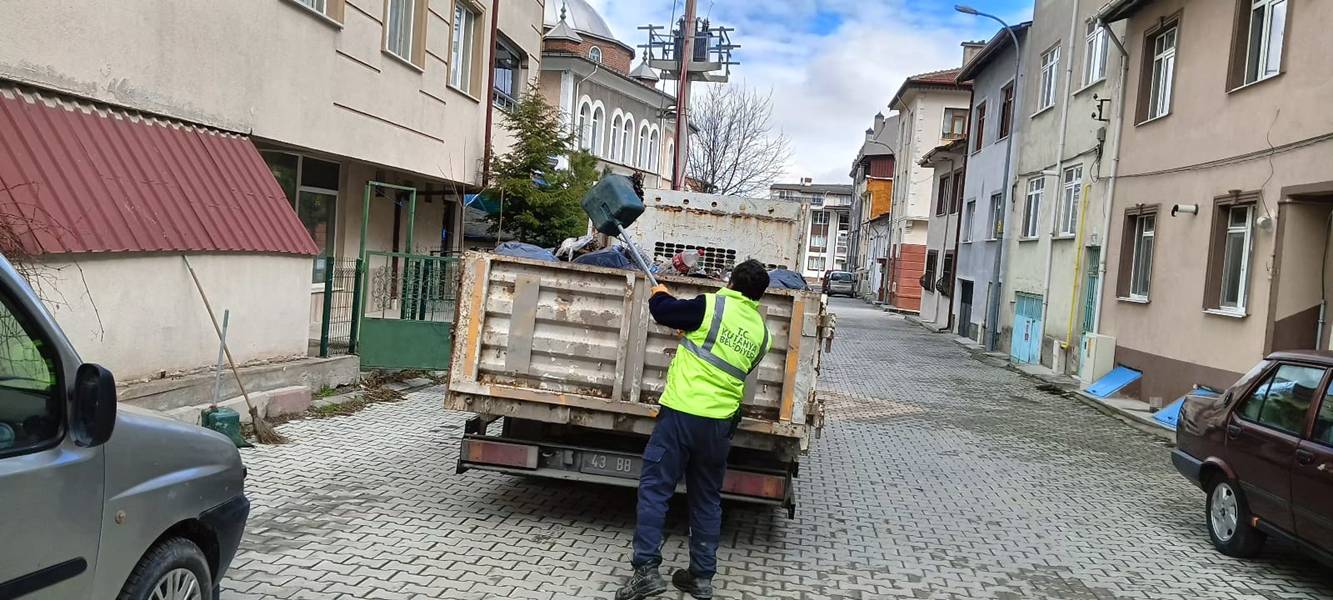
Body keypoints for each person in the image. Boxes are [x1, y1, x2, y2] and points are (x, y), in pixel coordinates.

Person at [615, 259, 772, 600]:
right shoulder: (763, 332)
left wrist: (659, 293)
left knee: (656, 490)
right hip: (718, 426)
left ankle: (645, 571)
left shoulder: (711, 305)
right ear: (760, 295)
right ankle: (701, 577)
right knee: (707, 499)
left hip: (682, 415)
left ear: (730, 282)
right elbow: (731, 358)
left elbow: (665, 312)